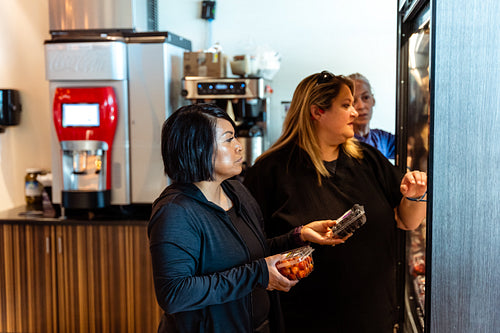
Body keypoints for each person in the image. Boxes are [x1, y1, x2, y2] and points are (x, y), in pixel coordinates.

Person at [244, 71, 427, 332]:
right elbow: (248, 246)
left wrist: (416, 195)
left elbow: (408, 221)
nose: (356, 112)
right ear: (317, 112)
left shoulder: (368, 159)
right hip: (305, 319)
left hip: (374, 316)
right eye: (346, 105)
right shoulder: (270, 171)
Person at [148, 103, 344, 333]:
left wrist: (297, 236)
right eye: (228, 139)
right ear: (198, 148)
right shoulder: (176, 211)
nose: (239, 147)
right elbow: (175, 293)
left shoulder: (236, 191)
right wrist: (258, 274)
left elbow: (250, 255)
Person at [348, 73, 396, 160]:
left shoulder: (383, 139)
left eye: (366, 97)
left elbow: (414, 146)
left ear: (373, 100)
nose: (361, 106)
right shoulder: (341, 141)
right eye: (353, 101)